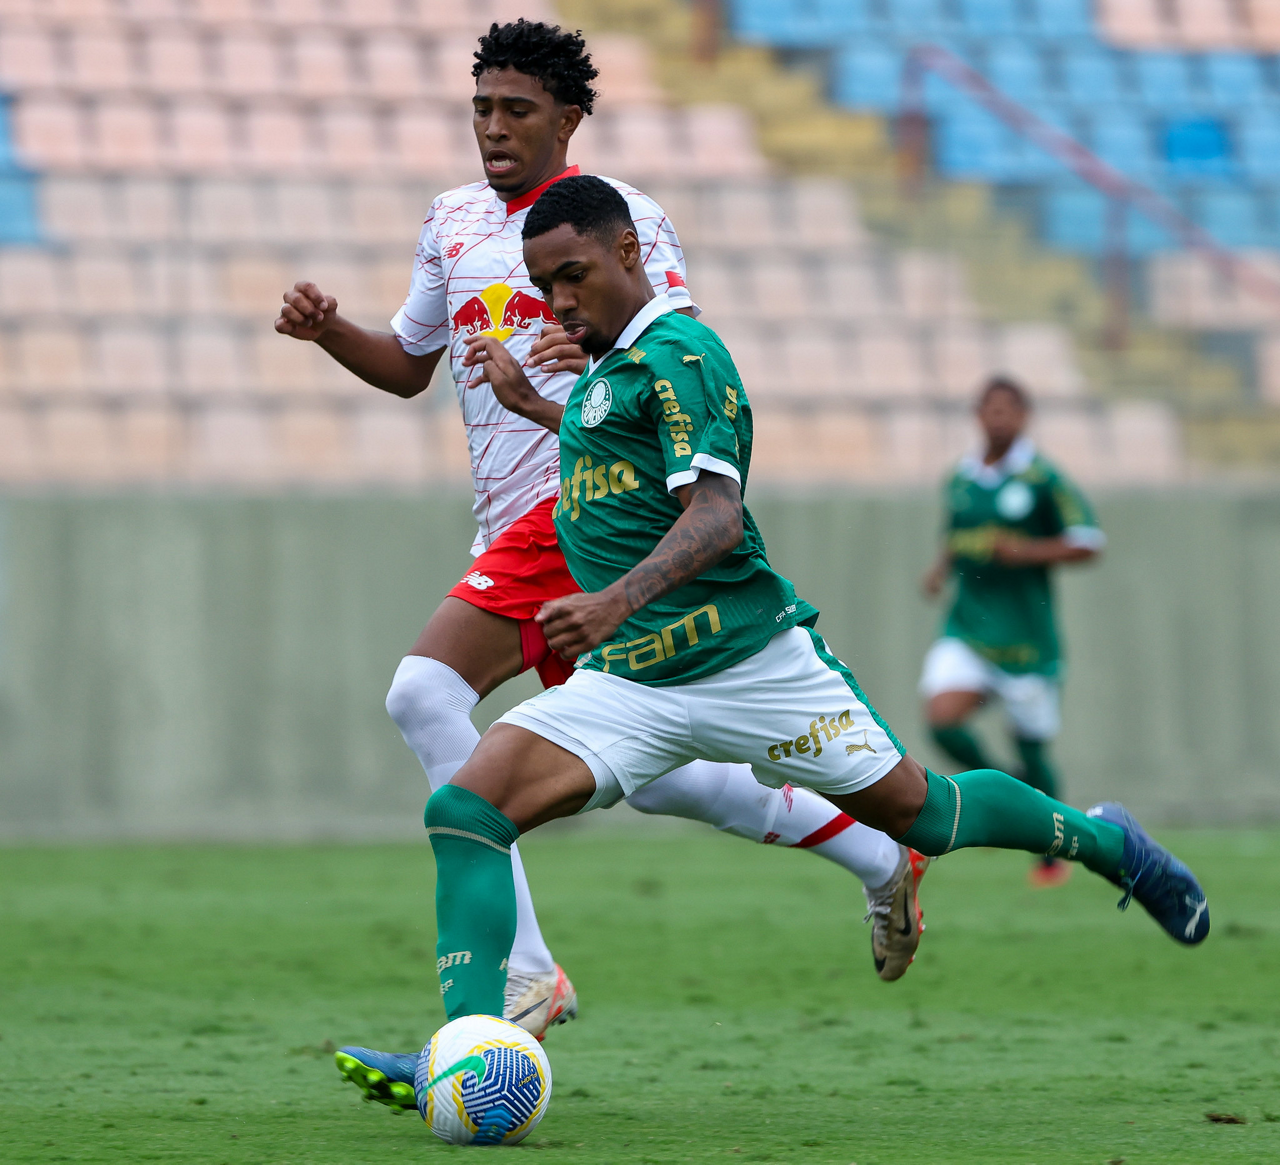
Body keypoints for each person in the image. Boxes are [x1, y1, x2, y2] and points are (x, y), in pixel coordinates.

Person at [404, 175, 1208, 1082]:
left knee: (926, 814)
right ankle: (468, 1056)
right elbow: (616, 448)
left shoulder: (684, 354)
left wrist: (612, 600)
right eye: (545, 284)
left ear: (628, 251)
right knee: (466, 810)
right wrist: (531, 407)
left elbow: (716, 516)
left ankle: (1108, 842)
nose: (558, 301)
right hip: (630, 680)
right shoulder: (605, 371)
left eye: (573, 275)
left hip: (749, 661)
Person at [274, 21, 926, 1111]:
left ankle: (520, 983)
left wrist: (579, 358)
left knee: (423, 690)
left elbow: (669, 357)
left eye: (516, 109)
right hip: (509, 524)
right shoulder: (449, 222)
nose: (492, 128)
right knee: (662, 774)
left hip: (584, 513)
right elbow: (408, 365)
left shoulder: (623, 221)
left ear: (567, 119)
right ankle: (877, 854)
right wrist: (330, 329)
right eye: (481, 108)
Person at [920, 378, 1103, 887]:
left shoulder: (1042, 478)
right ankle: (1009, 790)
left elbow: (1089, 540)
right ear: (977, 415)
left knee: (1033, 749)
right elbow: (956, 535)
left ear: (1024, 417)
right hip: (968, 627)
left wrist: (1027, 552)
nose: (998, 418)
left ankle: (1051, 854)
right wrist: (939, 568)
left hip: (1027, 641)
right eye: (990, 409)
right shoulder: (961, 477)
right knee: (941, 722)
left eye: (1008, 410)